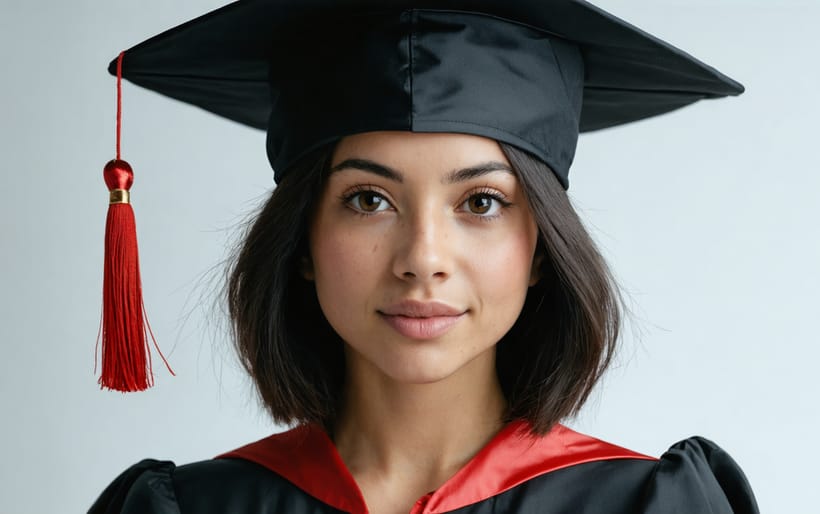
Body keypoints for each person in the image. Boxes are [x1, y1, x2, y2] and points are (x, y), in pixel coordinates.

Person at [89, 1, 758, 513]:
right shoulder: (195, 509)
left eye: (482, 203)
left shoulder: (646, 508)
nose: (423, 258)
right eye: (368, 200)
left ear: (542, 251)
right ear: (302, 245)